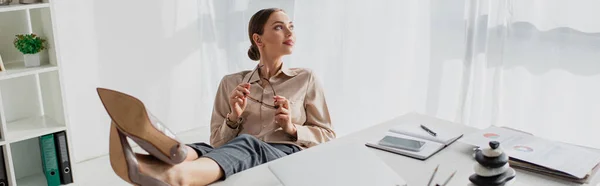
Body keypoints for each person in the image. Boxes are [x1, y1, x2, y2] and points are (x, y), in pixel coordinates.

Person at [96, 8, 335, 186]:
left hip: (285, 153)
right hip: (239, 151)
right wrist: (233, 117)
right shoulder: (231, 83)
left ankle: (177, 176)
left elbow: (328, 135)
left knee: (248, 143)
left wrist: (292, 128)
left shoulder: (306, 78)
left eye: (291, 25)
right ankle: (173, 153)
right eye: (279, 26)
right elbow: (219, 144)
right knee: (203, 147)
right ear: (258, 39)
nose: (289, 31)